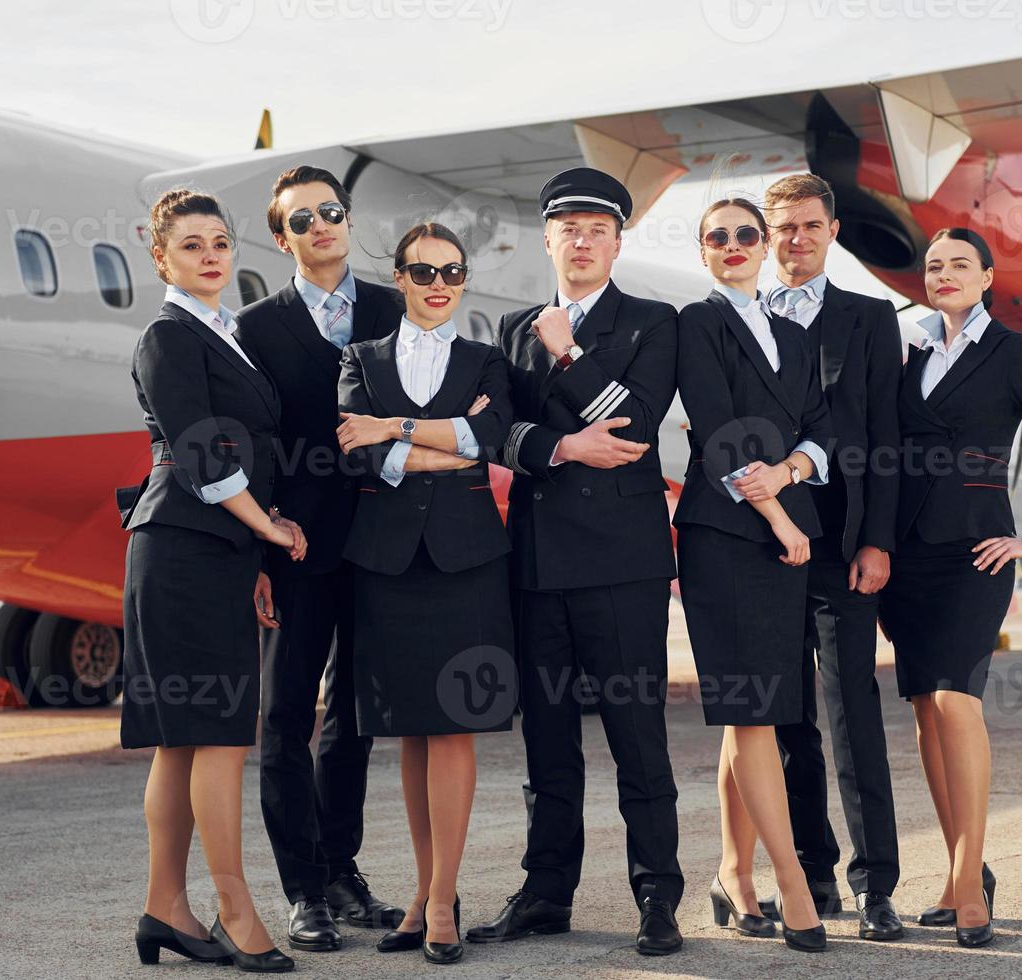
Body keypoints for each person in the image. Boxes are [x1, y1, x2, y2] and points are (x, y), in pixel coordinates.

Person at [467, 168, 684, 956]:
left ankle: (657, 895)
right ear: (549, 239)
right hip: (538, 565)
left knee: (638, 738)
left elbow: (631, 426)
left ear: (618, 242)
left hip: (622, 568)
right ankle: (546, 893)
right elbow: (494, 434)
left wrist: (567, 358)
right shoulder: (514, 326)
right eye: (569, 228)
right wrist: (560, 446)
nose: (583, 240)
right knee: (547, 745)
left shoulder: (655, 322)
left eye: (598, 229)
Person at [880, 226, 1022, 948]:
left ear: (986, 278)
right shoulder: (906, 350)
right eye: (933, 265)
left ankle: (971, 887)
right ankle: (957, 872)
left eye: (958, 265)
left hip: (976, 554)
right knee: (924, 712)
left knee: (955, 699)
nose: (942, 274)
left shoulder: (1013, 352)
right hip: (906, 557)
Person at [118, 188, 302, 973]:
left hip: (213, 549)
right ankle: (234, 911)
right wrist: (271, 527)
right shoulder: (167, 336)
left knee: (187, 742)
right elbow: (201, 452)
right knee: (219, 738)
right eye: (191, 246)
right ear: (161, 258)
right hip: (185, 547)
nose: (211, 256)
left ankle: (166, 908)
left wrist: (254, 555)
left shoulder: (222, 333)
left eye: (220, 242)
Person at [333, 222, 517, 965]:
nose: (438, 283)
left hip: (468, 562)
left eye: (451, 270)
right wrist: (450, 444)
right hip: (385, 565)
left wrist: (400, 431)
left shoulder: (486, 360)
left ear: (464, 279)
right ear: (400, 279)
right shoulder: (360, 357)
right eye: (422, 271)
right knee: (408, 729)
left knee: (455, 727)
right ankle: (420, 890)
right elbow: (357, 454)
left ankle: (443, 900)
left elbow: (495, 440)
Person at [235, 165, 405, 951]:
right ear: (282, 238)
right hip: (297, 544)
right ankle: (302, 889)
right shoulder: (257, 328)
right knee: (284, 718)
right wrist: (263, 544)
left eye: (331, 212)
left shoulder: (390, 308)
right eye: (302, 220)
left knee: (354, 719)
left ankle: (341, 868)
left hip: (377, 542)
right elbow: (252, 443)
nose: (321, 227)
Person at [675, 197, 834, 953]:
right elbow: (715, 427)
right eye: (718, 236)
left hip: (786, 534)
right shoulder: (696, 323)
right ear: (702, 250)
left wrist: (797, 469)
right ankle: (792, 883)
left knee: (759, 710)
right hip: (731, 534)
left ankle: (735, 875)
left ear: (767, 244)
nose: (734, 245)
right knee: (754, 711)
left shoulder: (798, 337)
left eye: (747, 234)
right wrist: (778, 514)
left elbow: (821, 429)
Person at [762, 173, 906, 940]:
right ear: (768, 232)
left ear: (832, 230)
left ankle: (874, 882)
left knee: (852, 712)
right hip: (764, 544)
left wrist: (877, 539)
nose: (796, 238)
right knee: (785, 718)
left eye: (809, 225)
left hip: (842, 543)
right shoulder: (741, 318)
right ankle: (810, 871)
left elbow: (885, 436)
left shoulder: (870, 318)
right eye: (783, 226)